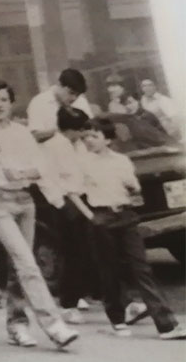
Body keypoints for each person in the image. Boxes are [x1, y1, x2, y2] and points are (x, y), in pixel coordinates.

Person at [0, 80, 79, 350]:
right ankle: (54, 325)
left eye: (4, 99)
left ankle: (17, 324)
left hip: (25, 201)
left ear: (11, 103)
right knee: (26, 262)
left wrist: (23, 173)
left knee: (20, 266)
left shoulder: (22, 132)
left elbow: (41, 167)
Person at [79, 118, 185, 340]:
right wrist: (91, 216)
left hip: (125, 215)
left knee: (142, 268)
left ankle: (166, 324)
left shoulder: (122, 161)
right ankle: (117, 319)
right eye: (85, 136)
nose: (88, 140)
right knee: (109, 270)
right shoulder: (83, 163)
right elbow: (69, 190)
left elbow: (134, 189)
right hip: (102, 216)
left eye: (93, 136)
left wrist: (132, 187)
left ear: (107, 139)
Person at [40, 107, 97, 324]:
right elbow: (46, 179)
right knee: (72, 253)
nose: (84, 134)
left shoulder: (78, 146)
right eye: (81, 130)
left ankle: (85, 293)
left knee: (88, 251)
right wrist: (60, 203)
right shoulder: (53, 147)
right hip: (65, 204)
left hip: (83, 200)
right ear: (72, 129)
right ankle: (68, 303)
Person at [27, 68, 93, 143]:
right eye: (71, 93)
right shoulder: (39, 102)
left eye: (77, 95)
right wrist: (62, 132)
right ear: (59, 84)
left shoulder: (81, 101)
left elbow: (91, 129)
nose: (74, 98)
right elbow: (35, 136)